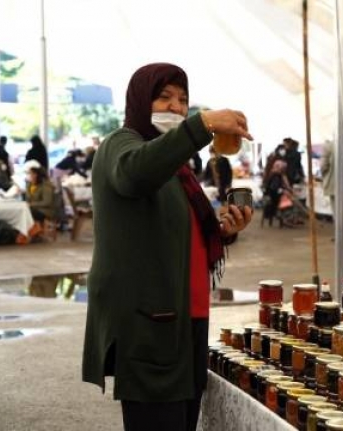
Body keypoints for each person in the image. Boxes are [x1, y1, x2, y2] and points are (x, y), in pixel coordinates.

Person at [81, 63, 253, 431]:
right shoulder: (120, 145)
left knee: (183, 419)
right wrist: (202, 123)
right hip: (149, 320)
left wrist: (224, 231)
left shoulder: (177, 168)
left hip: (186, 319)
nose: (176, 107)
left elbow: (178, 231)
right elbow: (134, 175)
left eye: (183, 100)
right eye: (165, 97)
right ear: (141, 100)